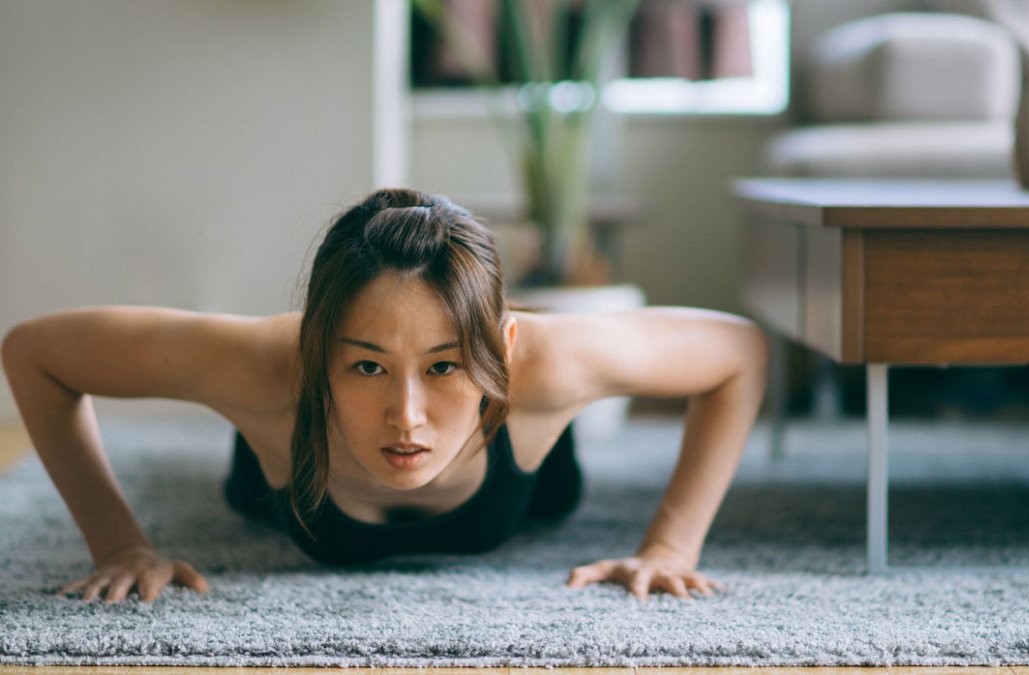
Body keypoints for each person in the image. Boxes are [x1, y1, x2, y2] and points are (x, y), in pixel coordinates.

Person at [1, 188, 768, 604]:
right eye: (366, 366)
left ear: (501, 350)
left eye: (443, 367)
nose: (407, 415)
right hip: (280, 475)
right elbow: (34, 353)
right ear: (313, 352)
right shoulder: (264, 365)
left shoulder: (548, 360)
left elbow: (739, 351)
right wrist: (119, 544)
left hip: (527, 483)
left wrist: (671, 543)